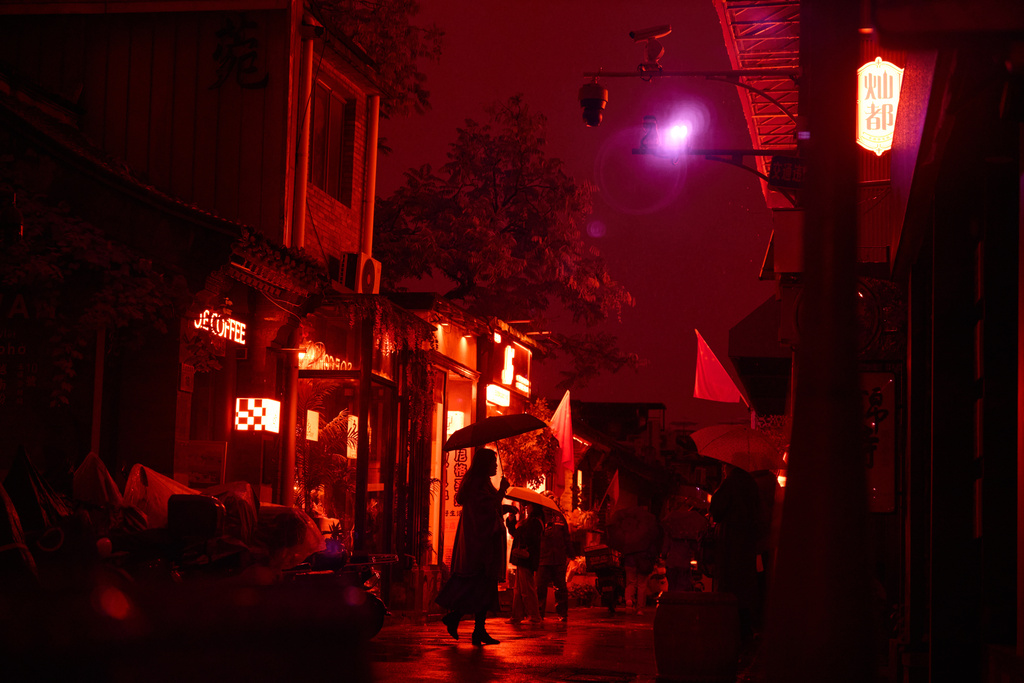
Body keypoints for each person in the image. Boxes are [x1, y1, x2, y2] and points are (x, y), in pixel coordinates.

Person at [435, 447, 511, 645]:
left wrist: (503, 506)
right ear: (484, 464)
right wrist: (502, 491)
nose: (495, 466)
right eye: (493, 463)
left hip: (482, 543)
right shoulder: (477, 484)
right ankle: (468, 624)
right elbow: (485, 511)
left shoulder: (481, 484)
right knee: (479, 586)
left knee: (481, 588)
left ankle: (472, 626)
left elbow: (490, 508)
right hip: (479, 544)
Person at [709, 462, 762, 648]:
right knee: (745, 585)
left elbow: (716, 511)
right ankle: (745, 628)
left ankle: (729, 628)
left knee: (729, 584)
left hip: (730, 541)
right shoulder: (752, 484)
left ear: (728, 466)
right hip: (748, 542)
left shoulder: (730, 482)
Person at [505, 501, 544, 625]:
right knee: (518, 589)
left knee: (527, 589)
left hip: (527, 559)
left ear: (535, 508)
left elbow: (525, 537)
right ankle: (516, 615)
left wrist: (518, 526)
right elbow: (516, 534)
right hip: (522, 559)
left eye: (530, 506)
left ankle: (534, 615)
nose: (527, 508)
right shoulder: (530, 521)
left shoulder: (536, 522)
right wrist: (513, 521)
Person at [536, 504, 573, 622]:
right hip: (543, 558)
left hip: (558, 558)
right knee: (540, 588)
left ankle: (562, 614)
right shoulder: (538, 517)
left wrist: (571, 554)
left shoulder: (559, 517)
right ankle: (539, 613)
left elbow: (566, 537)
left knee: (560, 588)